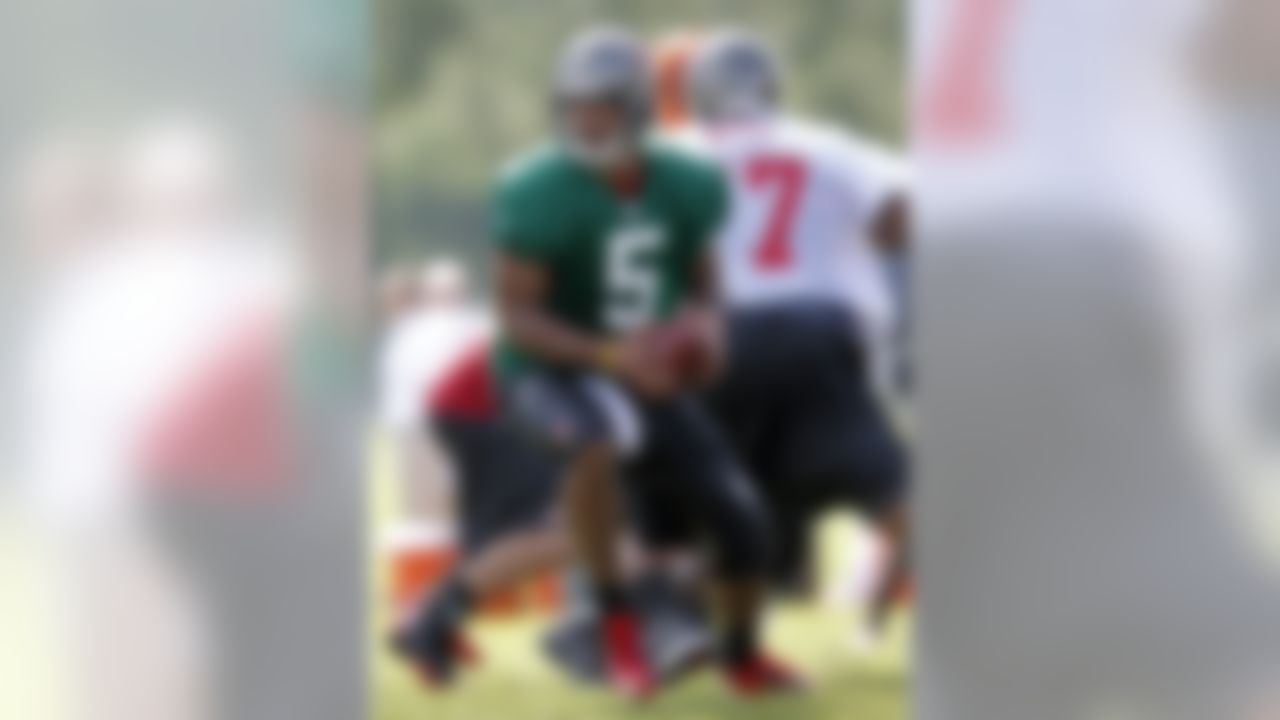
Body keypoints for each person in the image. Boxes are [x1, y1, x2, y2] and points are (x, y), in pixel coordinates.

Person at [395, 26, 800, 700]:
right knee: (592, 453)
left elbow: (706, 283)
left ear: (640, 105)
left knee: (743, 518)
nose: (586, 118)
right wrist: (611, 353)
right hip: (542, 369)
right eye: (575, 104)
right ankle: (616, 630)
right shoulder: (535, 188)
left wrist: (706, 327)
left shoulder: (690, 180)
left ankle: (743, 654)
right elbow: (517, 315)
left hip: (642, 371)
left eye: (603, 103)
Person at [684, 29, 912, 637]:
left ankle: (705, 631)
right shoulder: (824, 145)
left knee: (706, 498)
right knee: (889, 488)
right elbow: (904, 215)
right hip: (819, 331)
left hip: (714, 339)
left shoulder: (672, 153)